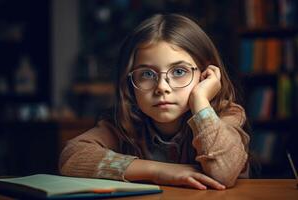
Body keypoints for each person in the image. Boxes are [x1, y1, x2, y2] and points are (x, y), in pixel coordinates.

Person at [59, 13, 250, 190]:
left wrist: (200, 102)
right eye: (147, 74)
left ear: (205, 76)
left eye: (179, 71)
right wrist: (159, 171)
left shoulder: (227, 114)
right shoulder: (124, 125)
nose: (162, 87)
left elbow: (223, 174)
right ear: (130, 83)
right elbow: (72, 157)